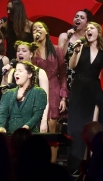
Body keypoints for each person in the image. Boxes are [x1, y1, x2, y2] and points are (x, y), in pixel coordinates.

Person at [67, 22, 103, 172]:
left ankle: (93, 165)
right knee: (77, 128)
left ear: (98, 32)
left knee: (93, 127)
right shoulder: (81, 47)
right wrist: (76, 52)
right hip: (78, 89)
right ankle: (75, 166)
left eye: (92, 28)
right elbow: (72, 66)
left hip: (93, 89)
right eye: (87, 29)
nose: (89, 30)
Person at [32, 21, 67, 162]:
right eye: (34, 29)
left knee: (52, 127)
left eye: (40, 27)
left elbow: (63, 74)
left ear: (46, 31)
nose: (37, 30)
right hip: (36, 89)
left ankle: (52, 164)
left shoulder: (56, 50)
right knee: (37, 127)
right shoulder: (31, 50)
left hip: (53, 88)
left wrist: (63, 97)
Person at [3, 41, 49, 131]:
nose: (20, 53)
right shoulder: (12, 72)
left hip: (33, 118)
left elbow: (45, 100)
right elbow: (5, 94)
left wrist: (44, 121)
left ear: (31, 54)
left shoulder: (40, 72)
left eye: (24, 51)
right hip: (14, 118)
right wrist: (5, 76)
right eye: (18, 51)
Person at [0, 61, 48, 133]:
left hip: (30, 134)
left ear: (29, 75)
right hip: (11, 135)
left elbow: (37, 114)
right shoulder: (8, 93)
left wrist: (27, 127)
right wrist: (1, 127)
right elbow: (2, 113)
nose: (16, 73)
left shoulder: (38, 92)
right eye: (16, 71)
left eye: (20, 71)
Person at [58, 9, 93, 93]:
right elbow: (60, 56)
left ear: (87, 23)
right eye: (76, 16)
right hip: (66, 77)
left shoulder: (89, 40)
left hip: (82, 79)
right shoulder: (64, 36)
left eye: (82, 17)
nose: (78, 19)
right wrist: (68, 38)